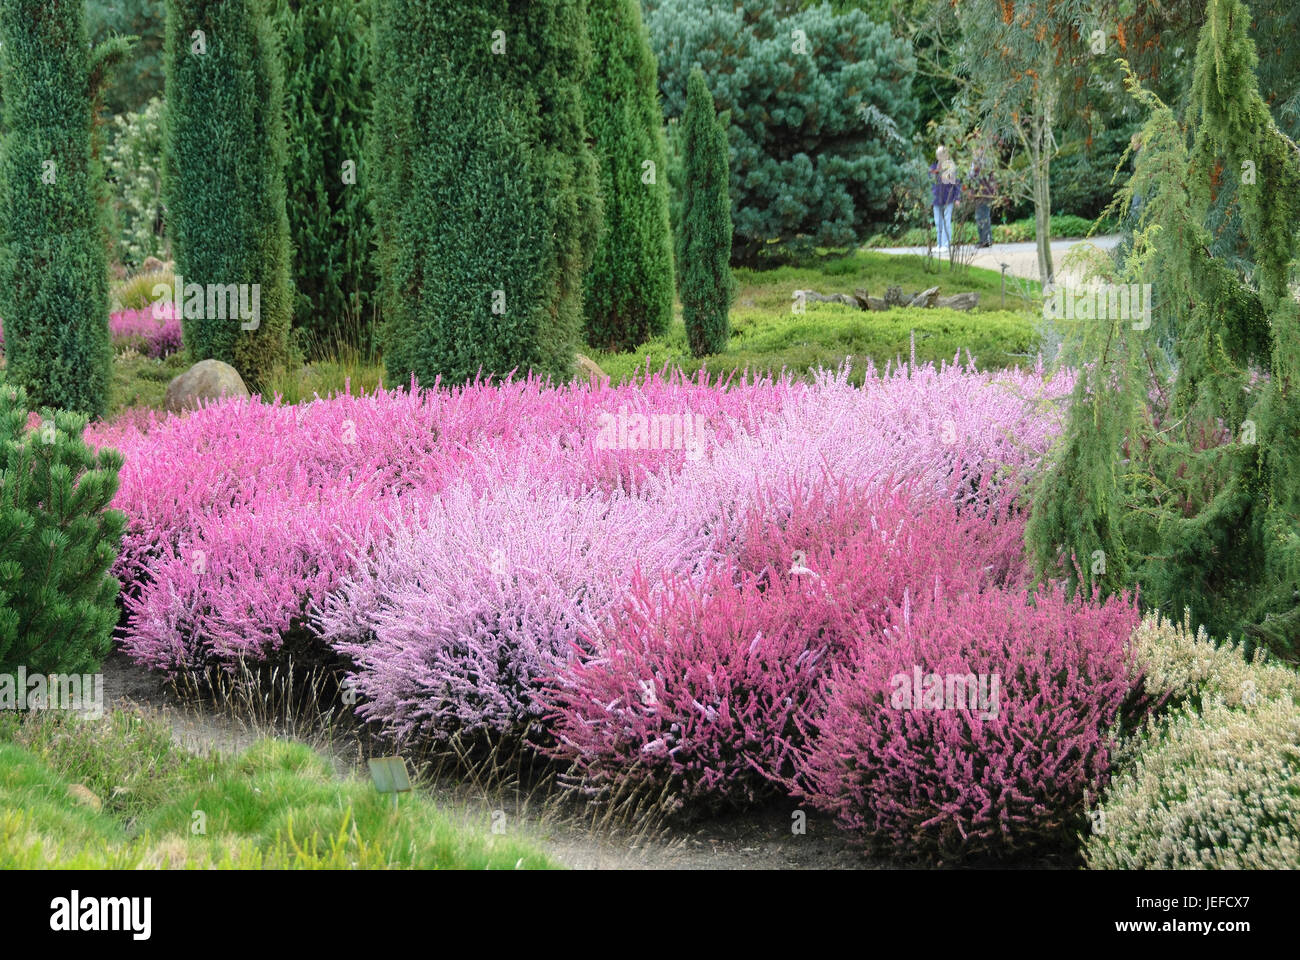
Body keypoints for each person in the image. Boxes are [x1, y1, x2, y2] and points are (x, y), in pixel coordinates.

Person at [929, 146, 961, 253]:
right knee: (938, 222)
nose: (940, 157)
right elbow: (929, 183)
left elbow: (956, 183)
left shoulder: (950, 167)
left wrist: (957, 198)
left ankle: (946, 245)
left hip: (948, 198)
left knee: (946, 221)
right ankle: (939, 244)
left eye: (942, 154)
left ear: (946, 155)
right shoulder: (933, 167)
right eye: (938, 155)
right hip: (936, 199)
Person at [969, 147, 996, 248]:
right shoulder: (975, 164)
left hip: (984, 193)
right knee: (980, 217)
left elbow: (981, 178)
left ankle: (986, 240)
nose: (974, 152)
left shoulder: (983, 164)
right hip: (979, 194)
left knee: (983, 216)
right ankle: (983, 239)